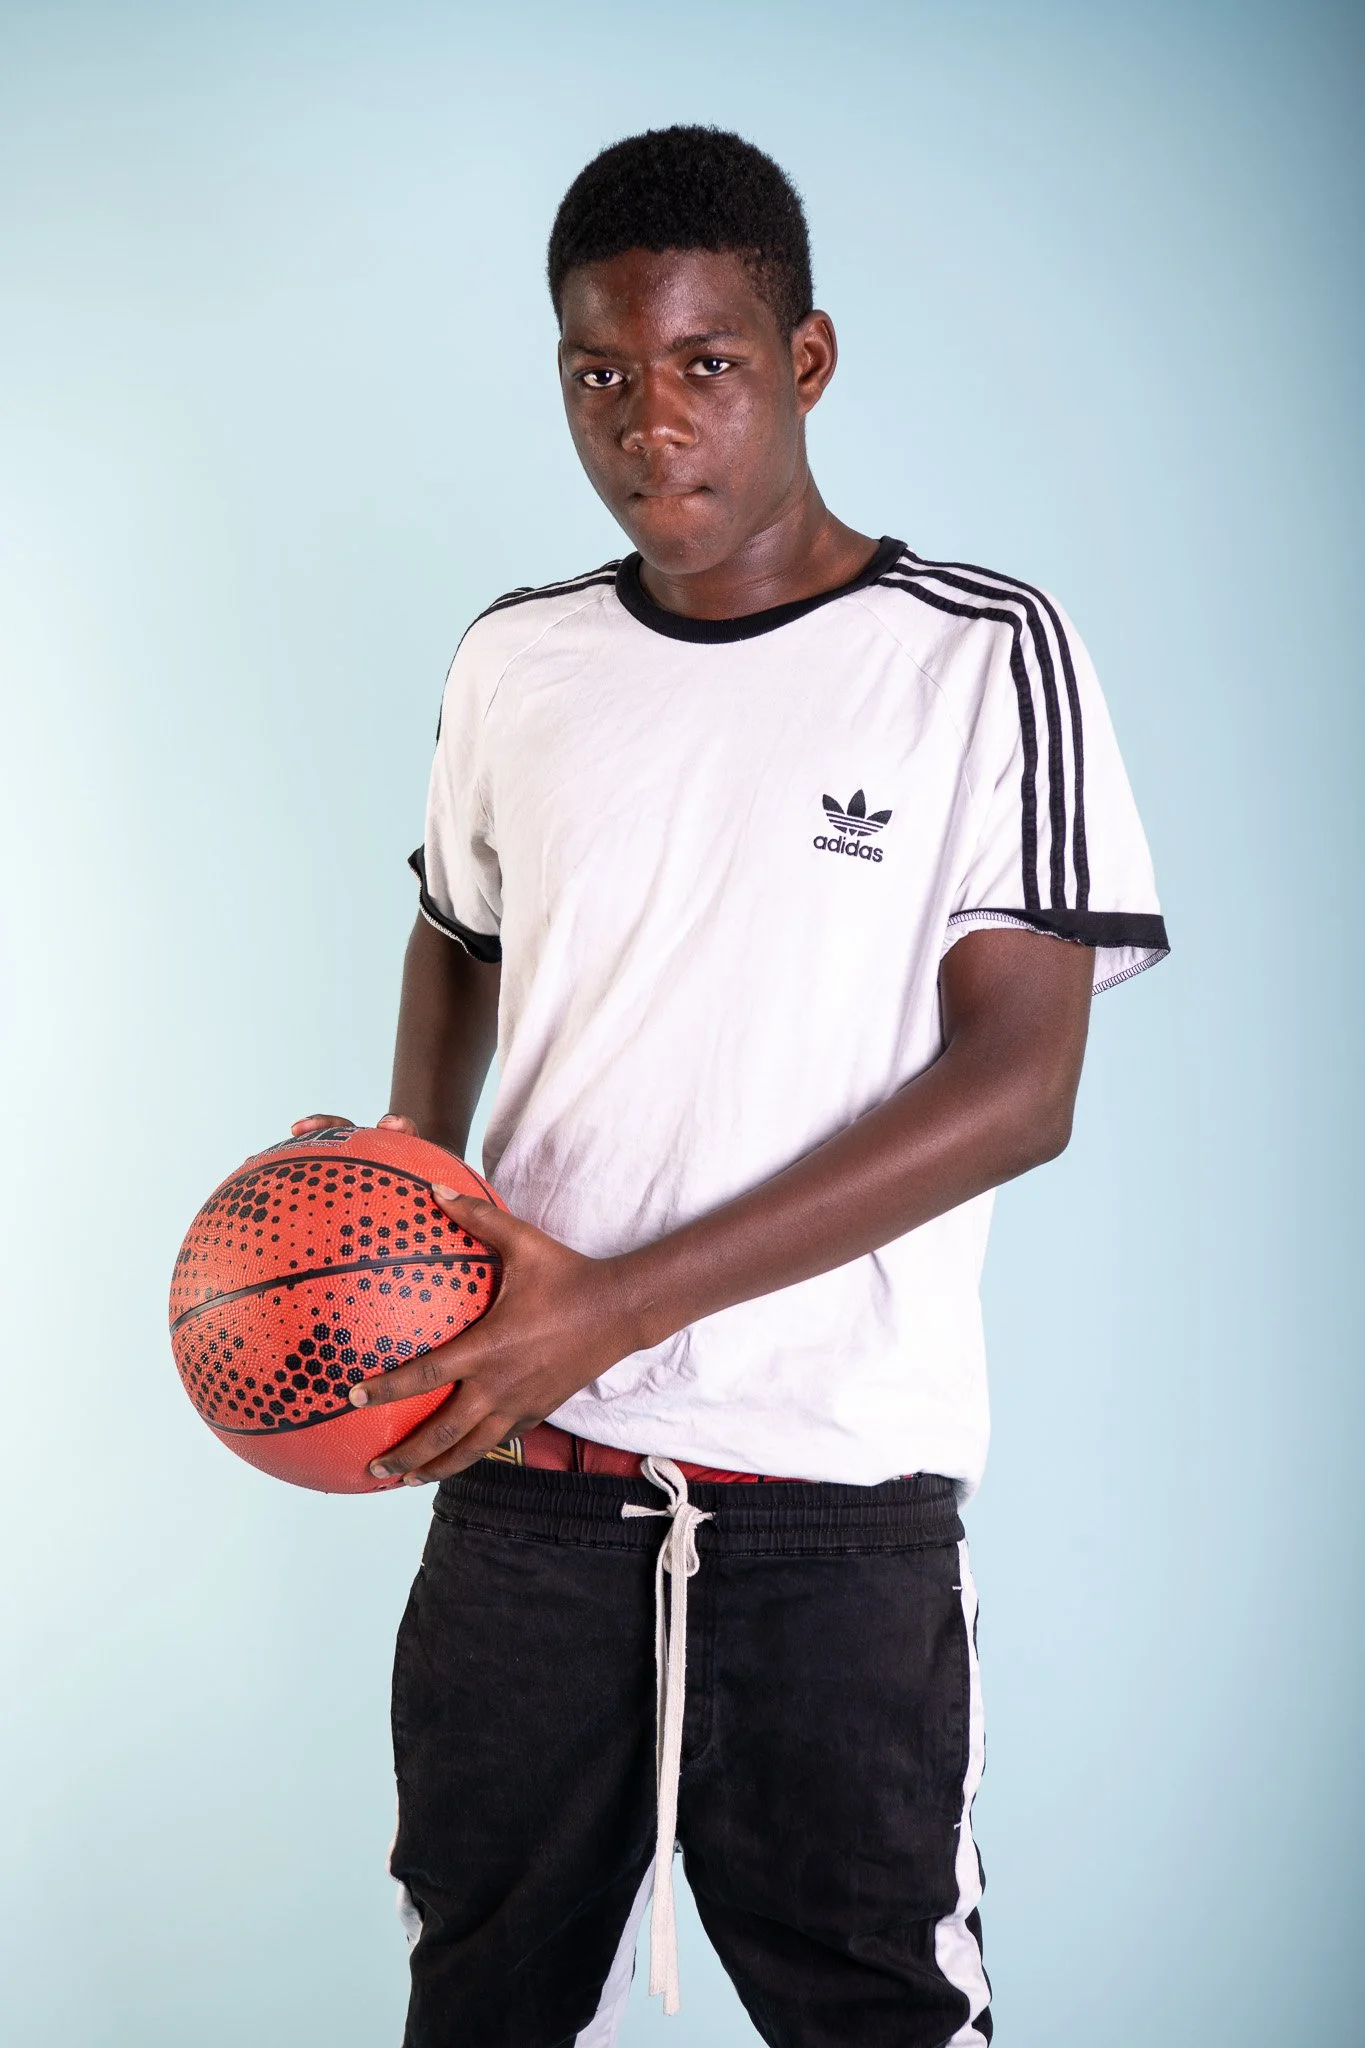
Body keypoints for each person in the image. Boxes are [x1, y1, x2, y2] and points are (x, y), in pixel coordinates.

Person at [295, 126, 1167, 2048]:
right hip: (522, 1482)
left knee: (877, 2013)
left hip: (830, 1507)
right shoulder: (517, 661)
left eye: (704, 365)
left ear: (807, 362)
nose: (647, 426)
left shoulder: (975, 659)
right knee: (481, 2002)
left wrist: (608, 1304)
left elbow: (1024, 1084)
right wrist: (399, 1186)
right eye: (599, 375)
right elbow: (458, 930)